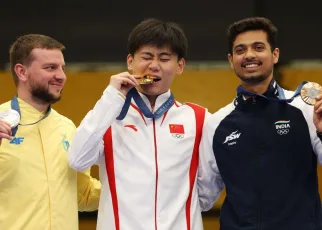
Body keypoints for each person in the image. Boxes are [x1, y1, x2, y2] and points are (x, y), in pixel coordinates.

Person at [68, 18, 207, 230]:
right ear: (130, 62)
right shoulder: (108, 116)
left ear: (180, 65)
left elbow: (208, 189)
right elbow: (77, 160)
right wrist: (110, 98)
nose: (154, 65)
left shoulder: (198, 118)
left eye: (164, 58)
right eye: (146, 56)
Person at [198, 17, 322, 230]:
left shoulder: (306, 109)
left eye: (258, 47)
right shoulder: (216, 123)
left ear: (275, 55)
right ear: (230, 59)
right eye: (240, 50)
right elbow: (203, 196)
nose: (249, 55)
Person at [0, 34, 101, 230]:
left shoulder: (67, 127)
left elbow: (83, 194)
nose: (61, 76)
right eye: (50, 68)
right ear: (22, 72)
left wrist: (132, 184)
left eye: (62, 68)